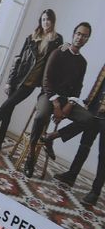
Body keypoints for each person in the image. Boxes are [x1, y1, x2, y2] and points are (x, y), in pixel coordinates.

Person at [0, 8, 62, 154]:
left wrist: (65, 48)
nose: (45, 22)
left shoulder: (56, 40)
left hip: (29, 84)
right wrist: (9, 82)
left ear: (53, 21)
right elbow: (18, 59)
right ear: (40, 21)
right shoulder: (32, 37)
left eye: (48, 19)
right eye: (43, 19)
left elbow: (57, 59)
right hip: (17, 79)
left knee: (4, 108)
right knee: (7, 111)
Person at [23, 22, 91, 178]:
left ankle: (50, 137)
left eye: (84, 36)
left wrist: (69, 105)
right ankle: (30, 157)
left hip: (66, 100)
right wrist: (57, 105)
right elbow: (46, 81)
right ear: (74, 34)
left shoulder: (83, 62)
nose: (80, 38)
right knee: (41, 116)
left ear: (87, 39)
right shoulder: (58, 52)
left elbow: (77, 88)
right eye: (78, 34)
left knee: (87, 119)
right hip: (48, 95)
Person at [43, 68, 105, 205]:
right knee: (84, 145)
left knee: (103, 155)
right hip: (94, 111)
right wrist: (89, 102)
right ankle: (72, 175)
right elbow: (98, 84)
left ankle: (95, 191)